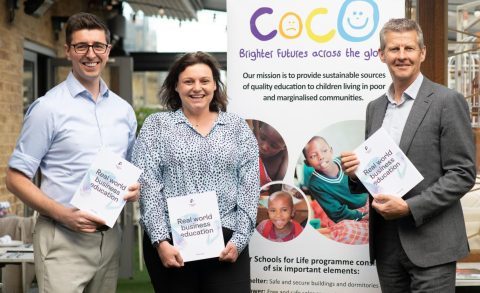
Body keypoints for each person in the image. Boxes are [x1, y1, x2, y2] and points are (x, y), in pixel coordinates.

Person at [5, 12, 139, 293]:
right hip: (62, 238)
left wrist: (134, 188)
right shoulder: (47, 108)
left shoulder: (123, 111)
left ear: (107, 51)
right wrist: (64, 215)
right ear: (68, 51)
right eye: (81, 46)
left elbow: (128, 169)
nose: (91, 54)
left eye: (97, 46)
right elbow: (15, 179)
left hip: (108, 237)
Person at [341, 18, 476, 293]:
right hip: (387, 245)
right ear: (381, 55)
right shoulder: (375, 108)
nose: (402, 56)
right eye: (393, 49)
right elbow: (376, 172)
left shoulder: (446, 101)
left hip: (432, 245)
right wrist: (355, 175)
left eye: (409, 48)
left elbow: (462, 174)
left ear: (422, 53)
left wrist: (410, 208)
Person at [132, 51, 260, 293]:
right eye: (188, 81)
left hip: (228, 241)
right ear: (176, 86)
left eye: (204, 81)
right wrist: (161, 242)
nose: (197, 88)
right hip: (173, 244)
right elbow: (149, 186)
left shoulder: (236, 128)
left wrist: (240, 239)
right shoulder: (157, 126)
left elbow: (250, 186)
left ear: (215, 85)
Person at [303, 136, 368, 223]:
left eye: (324, 151)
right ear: (307, 163)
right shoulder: (315, 184)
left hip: (371, 199)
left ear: (331, 151)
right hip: (353, 213)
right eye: (313, 156)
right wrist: (361, 216)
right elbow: (336, 213)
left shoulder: (345, 161)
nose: (321, 157)